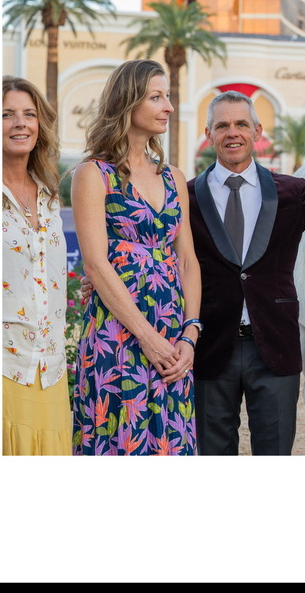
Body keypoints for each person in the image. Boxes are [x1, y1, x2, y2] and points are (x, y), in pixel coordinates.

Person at [81, 89, 305, 455]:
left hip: (275, 348)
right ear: (209, 134)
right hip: (207, 351)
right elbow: (156, 253)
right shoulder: (182, 195)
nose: (232, 132)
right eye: (222, 125)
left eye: (241, 124)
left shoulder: (293, 192)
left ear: (258, 130)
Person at [71, 59, 203, 455]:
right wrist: (148, 339)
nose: (169, 107)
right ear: (128, 103)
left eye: (169, 97)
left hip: (173, 343)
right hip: (118, 335)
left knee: (169, 442)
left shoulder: (173, 177)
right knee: (120, 440)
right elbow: (95, 264)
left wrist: (189, 336)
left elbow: (187, 261)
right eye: (157, 97)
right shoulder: (93, 174)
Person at [2, 75, 71, 455]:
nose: (20, 123)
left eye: (29, 114)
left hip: (51, 366)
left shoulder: (48, 194)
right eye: (6, 114)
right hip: (1, 363)